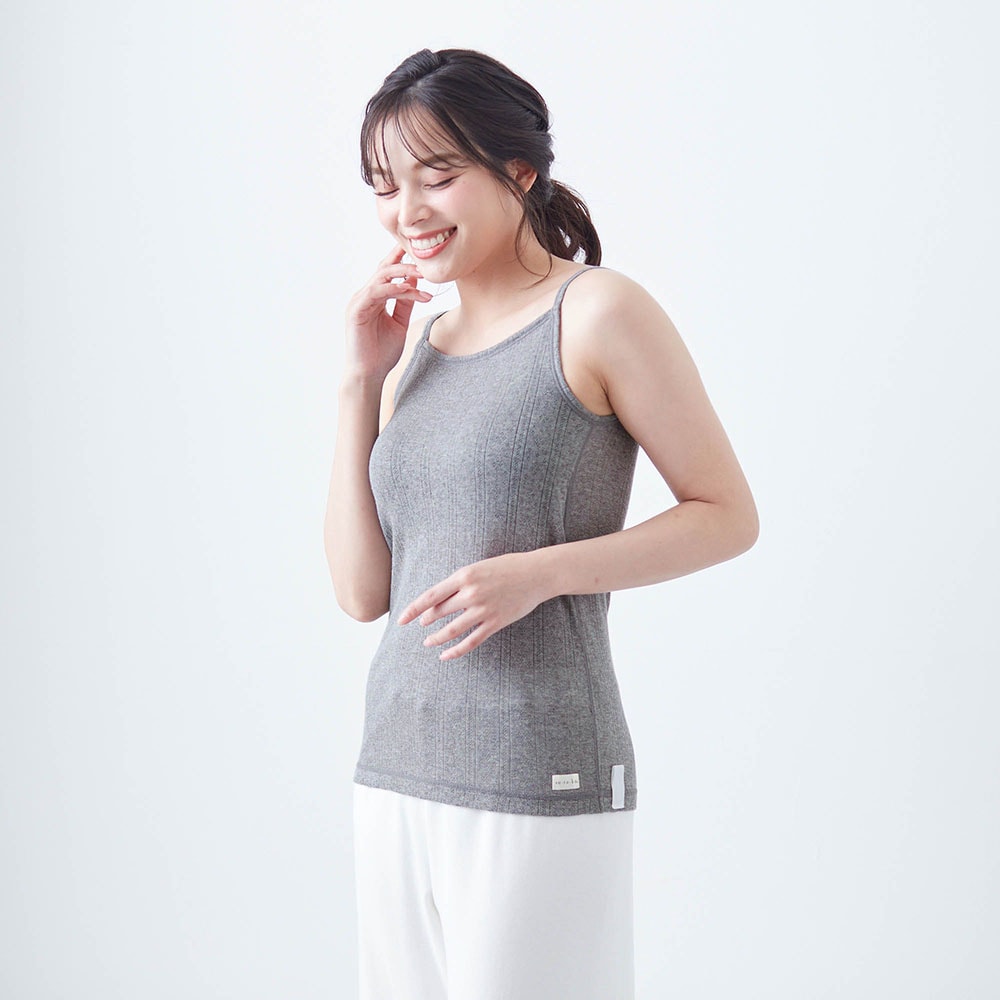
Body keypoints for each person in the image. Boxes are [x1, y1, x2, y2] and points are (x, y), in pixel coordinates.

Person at [324, 47, 758, 1000]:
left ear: (518, 170)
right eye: (387, 186)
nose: (408, 211)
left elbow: (727, 516)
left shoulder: (598, 312)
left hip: (538, 767)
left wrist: (541, 572)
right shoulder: (417, 349)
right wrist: (360, 380)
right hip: (394, 765)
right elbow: (361, 591)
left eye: (438, 176)